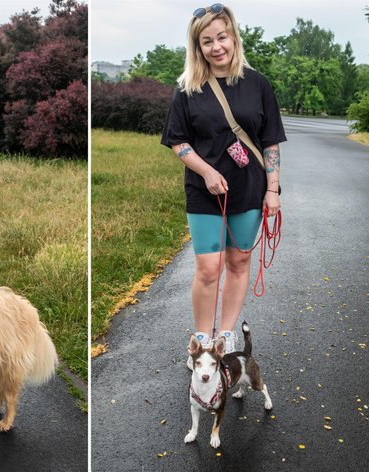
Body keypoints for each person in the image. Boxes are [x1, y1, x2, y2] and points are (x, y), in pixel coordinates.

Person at [160, 4, 284, 365]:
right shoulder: (187, 89)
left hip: (249, 189)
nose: (216, 47)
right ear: (197, 47)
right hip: (204, 190)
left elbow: (271, 140)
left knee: (239, 260)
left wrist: (272, 189)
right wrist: (207, 173)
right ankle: (201, 340)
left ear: (233, 37)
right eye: (207, 41)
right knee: (209, 267)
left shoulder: (257, 84)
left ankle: (225, 336)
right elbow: (178, 142)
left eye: (222, 38)